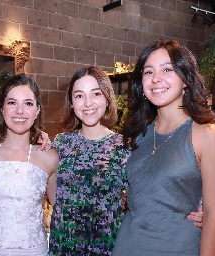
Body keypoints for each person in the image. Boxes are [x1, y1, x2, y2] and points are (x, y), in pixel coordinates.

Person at [112, 39, 215, 255]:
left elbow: (214, 217)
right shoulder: (139, 134)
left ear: (186, 79)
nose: (156, 79)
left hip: (177, 248)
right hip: (128, 246)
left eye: (167, 69)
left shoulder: (208, 135)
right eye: (148, 72)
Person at [0, 73, 58, 255]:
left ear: (37, 110)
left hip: (34, 250)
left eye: (28, 103)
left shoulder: (49, 157)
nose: (20, 111)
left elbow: (62, 207)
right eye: (12, 102)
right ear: (2, 109)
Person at [48, 66, 129, 255]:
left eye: (96, 94)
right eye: (79, 96)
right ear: (72, 103)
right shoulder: (60, 143)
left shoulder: (124, 146)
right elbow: (54, 197)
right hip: (64, 245)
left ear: (107, 99)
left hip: (107, 247)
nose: (87, 103)